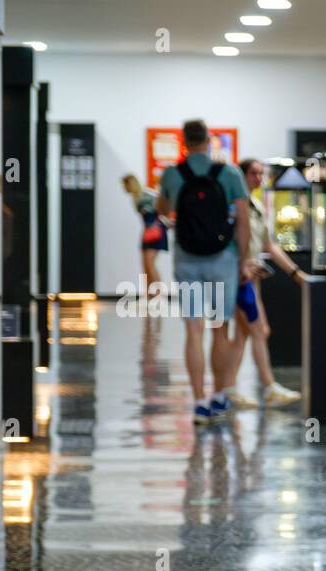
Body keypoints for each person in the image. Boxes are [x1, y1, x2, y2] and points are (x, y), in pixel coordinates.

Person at [155, 119, 252, 426]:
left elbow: (160, 210)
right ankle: (220, 395)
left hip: (186, 257)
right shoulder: (230, 173)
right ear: (209, 141)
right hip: (223, 256)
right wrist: (245, 259)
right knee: (220, 328)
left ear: (184, 142)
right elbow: (244, 222)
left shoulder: (172, 174)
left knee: (193, 330)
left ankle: (198, 402)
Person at [225, 158, 303, 409]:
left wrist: (293, 271)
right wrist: (242, 266)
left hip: (252, 276)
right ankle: (266, 386)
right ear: (242, 175)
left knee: (244, 333)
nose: (258, 178)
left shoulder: (256, 205)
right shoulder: (235, 206)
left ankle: (229, 388)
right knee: (258, 329)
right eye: (254, 173)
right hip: (241, 277)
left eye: (261, 173)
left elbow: (269, 245)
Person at [121, 173, 168, 293]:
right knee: (146, 266)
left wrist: (160, 223)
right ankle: (148, 297)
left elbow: (162, 208)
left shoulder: (148, 195)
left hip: (156, 231)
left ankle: (158, 295)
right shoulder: (135, 199)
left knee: (150, 264)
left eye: (126, 185)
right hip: (147, 231)